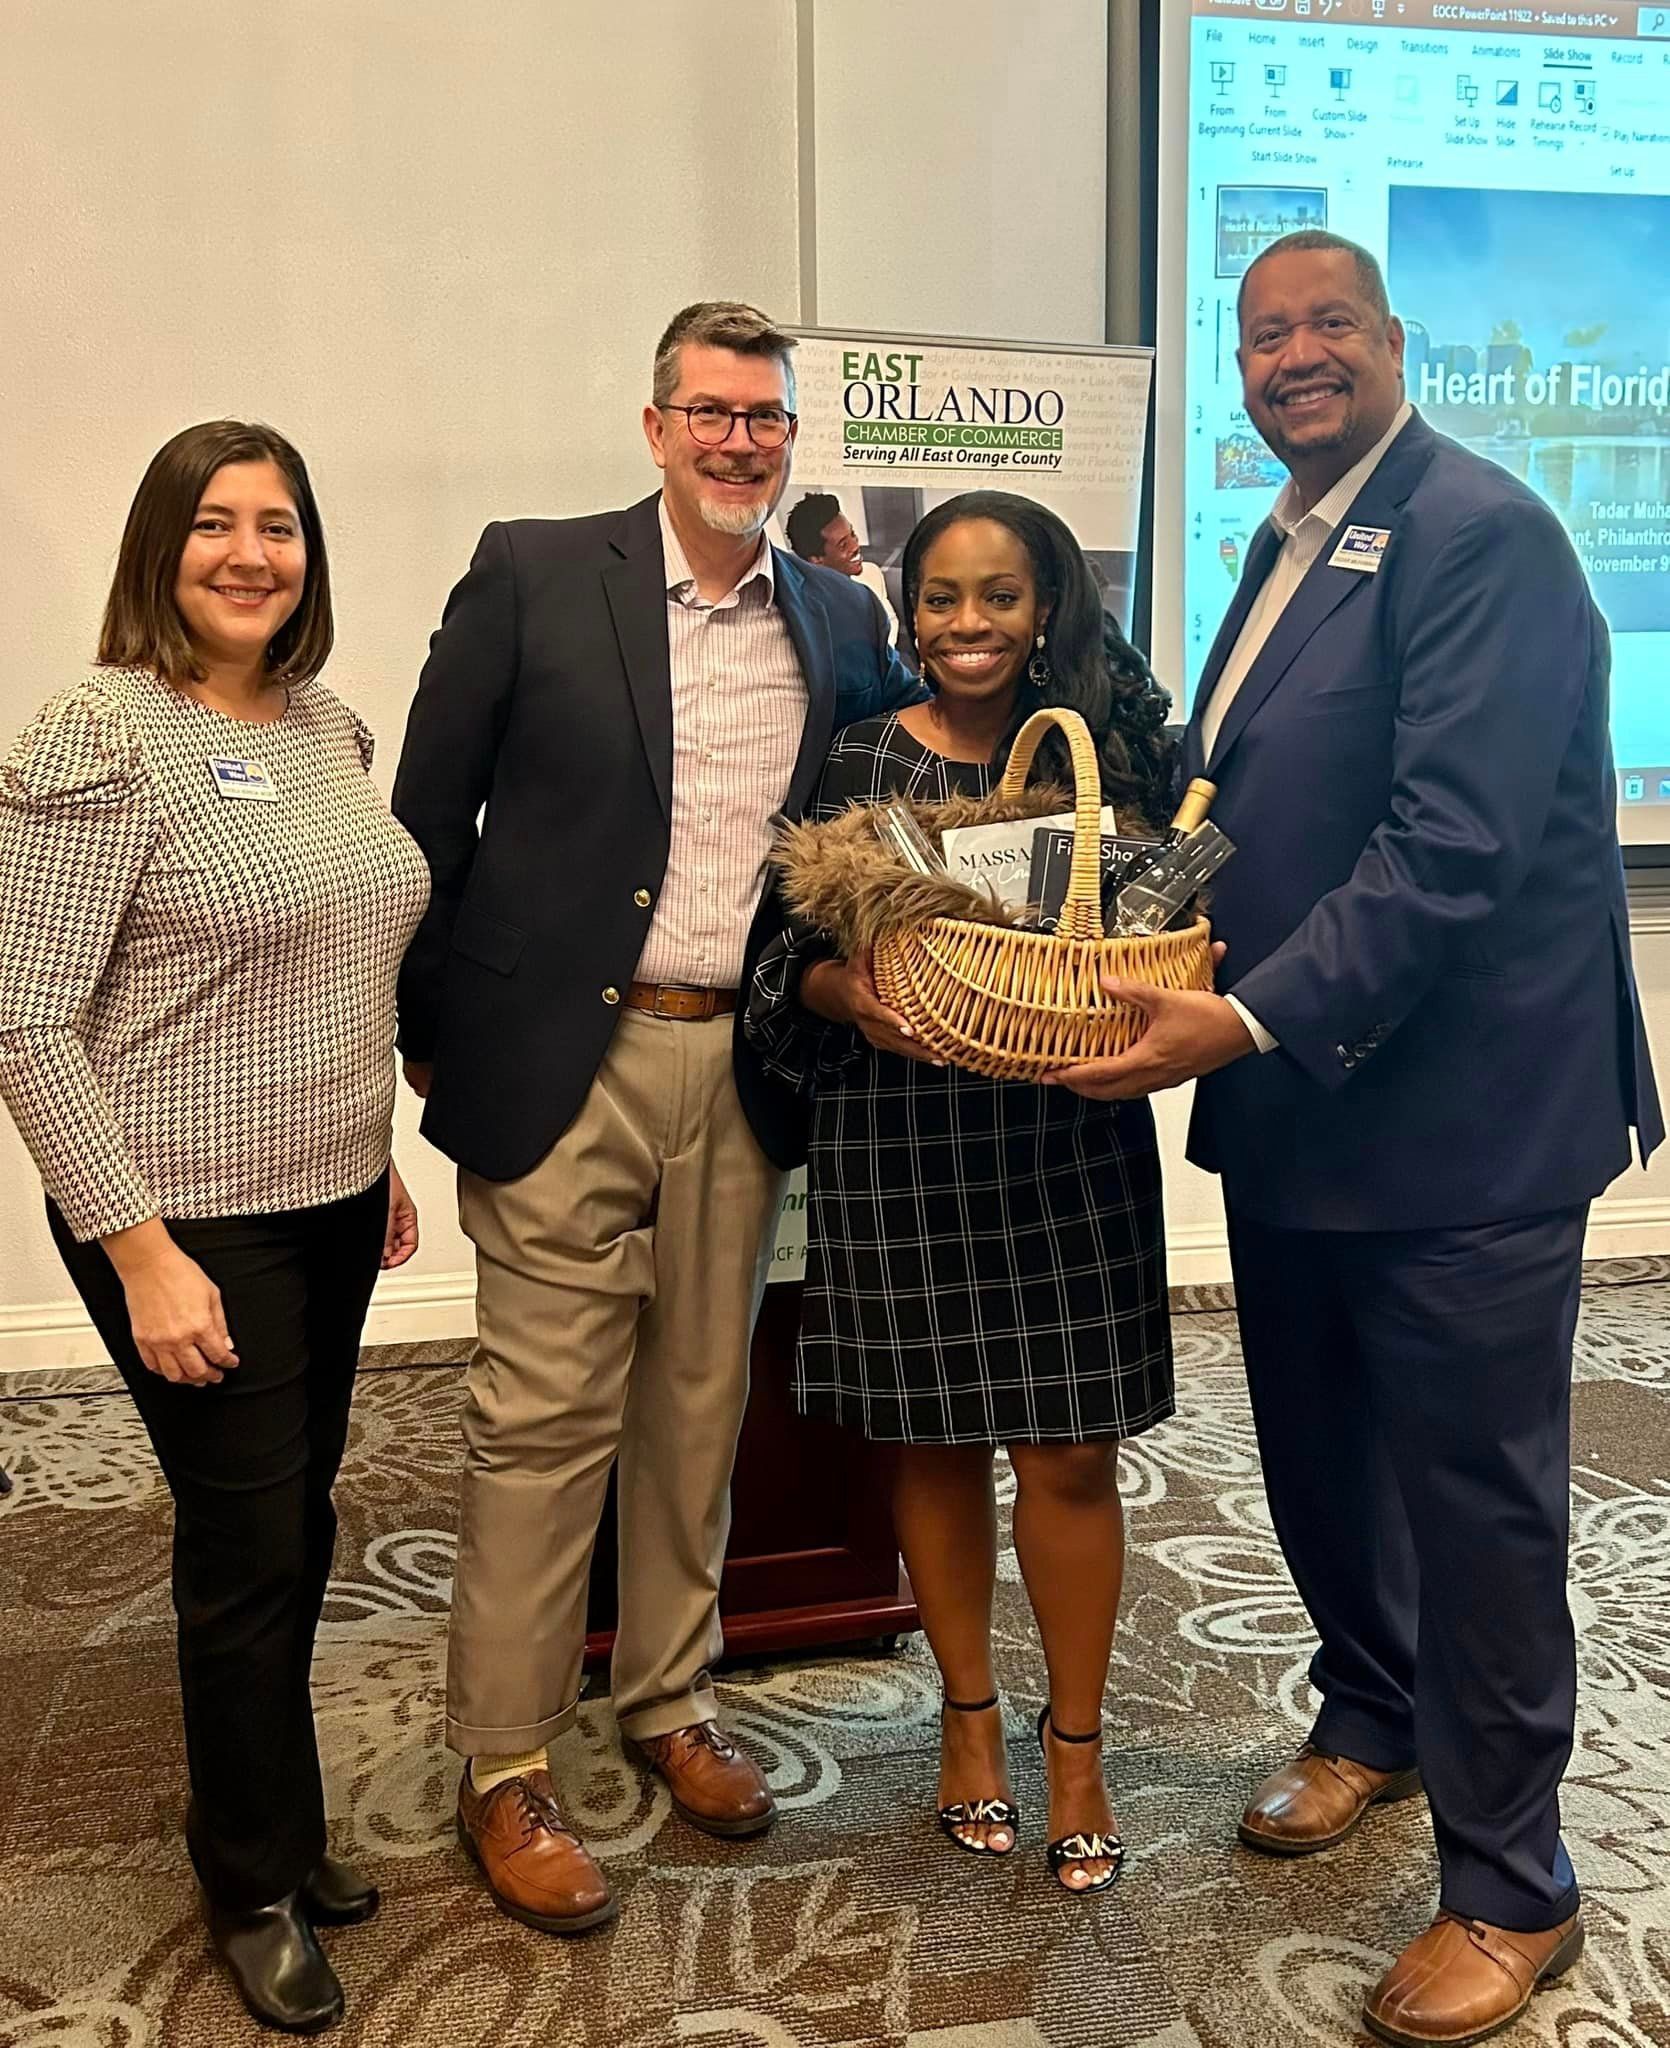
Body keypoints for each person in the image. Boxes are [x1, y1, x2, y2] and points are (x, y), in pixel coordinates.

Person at [1049, 232, 1662, 2045]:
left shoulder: (1484, 533)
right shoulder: (1280, 541)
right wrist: (1106, 925)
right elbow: (1241, 812)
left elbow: (1453, 845)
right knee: (1319, 1452)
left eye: (1329, 326)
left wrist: (1233, 1012)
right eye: (1265, 335)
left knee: (1475, 1498)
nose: (1295, 356)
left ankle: (1515, 1879)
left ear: (1396, 344)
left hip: (1462, 1122)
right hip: (1308, 1105)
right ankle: (1373, 1713)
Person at [392, 301, 920, 1936]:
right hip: (569, 1061)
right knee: (542, 1422)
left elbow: (894, 810)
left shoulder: (840, 615)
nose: (738, 439)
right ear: (654, 425)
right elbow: (425, 814)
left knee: (700, 1405)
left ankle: (669, 1698)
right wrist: (428, 1033)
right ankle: (503, 1759)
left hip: (744, 1067)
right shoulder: (538, 571)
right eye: (709, 411)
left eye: (764, 416)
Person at [0, 421, 430, 2034]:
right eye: (215, 525)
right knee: (248, 1548)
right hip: (183, 1217)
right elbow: (27, 1017)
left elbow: (333, 962)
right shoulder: (97, 732)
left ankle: (284, 1821)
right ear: (159, 547)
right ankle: (247, 1874)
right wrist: (137, 1246)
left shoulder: (331, 725)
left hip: (326, 1195)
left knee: (301, 1519)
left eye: (281, 525)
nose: (252, 553)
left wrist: (371, 1156)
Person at [747, 491, 1176, 1894]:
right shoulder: (860, 758)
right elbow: (775, 969)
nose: (969, 625)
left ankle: (1077, 1747)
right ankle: (969, 1724)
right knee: (929, 1446)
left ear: (1044, 605)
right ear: (905, 610)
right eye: (939, 598)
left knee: (1068, 1455)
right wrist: (846, 995)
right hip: (902, 1141)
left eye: (999, 596)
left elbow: (1174, 933)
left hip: (1065, 1141)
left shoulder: (1108, 761)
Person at [785, 490, 901, 644]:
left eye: (852, 534)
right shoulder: (803, 606)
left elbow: (891, 620)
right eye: (843, 545)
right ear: (816, 559)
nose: (855, 546)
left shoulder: (871, 573)